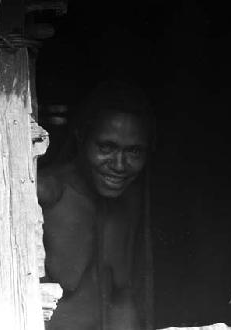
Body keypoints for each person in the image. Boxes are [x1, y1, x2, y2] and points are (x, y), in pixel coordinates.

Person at [37, 81, 153, 330]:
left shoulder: (128, 203)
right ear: (81, 136)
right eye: (106, 147)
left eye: (133, 152)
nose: (120, 165)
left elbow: (121, 297)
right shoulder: (47, 192)